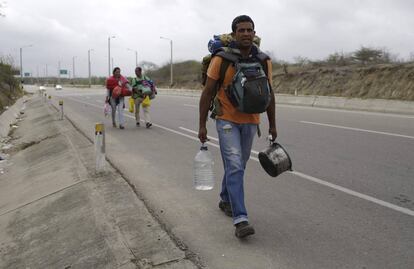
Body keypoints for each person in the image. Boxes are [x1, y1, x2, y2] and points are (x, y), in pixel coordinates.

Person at [198, 15, 277, 238]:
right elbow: (207, 94)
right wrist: (202, 125)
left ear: (254, 33)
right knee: (234, 166)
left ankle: (225, 198)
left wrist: (273, 125)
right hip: (226, 120)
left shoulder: (263, 60)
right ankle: (240, 219)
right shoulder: (221, 59)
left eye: (249, 30)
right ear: (233, 34)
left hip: (251, 121)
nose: (245, 33)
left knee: (238, 166)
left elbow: (270, 94)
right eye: (241, 30)